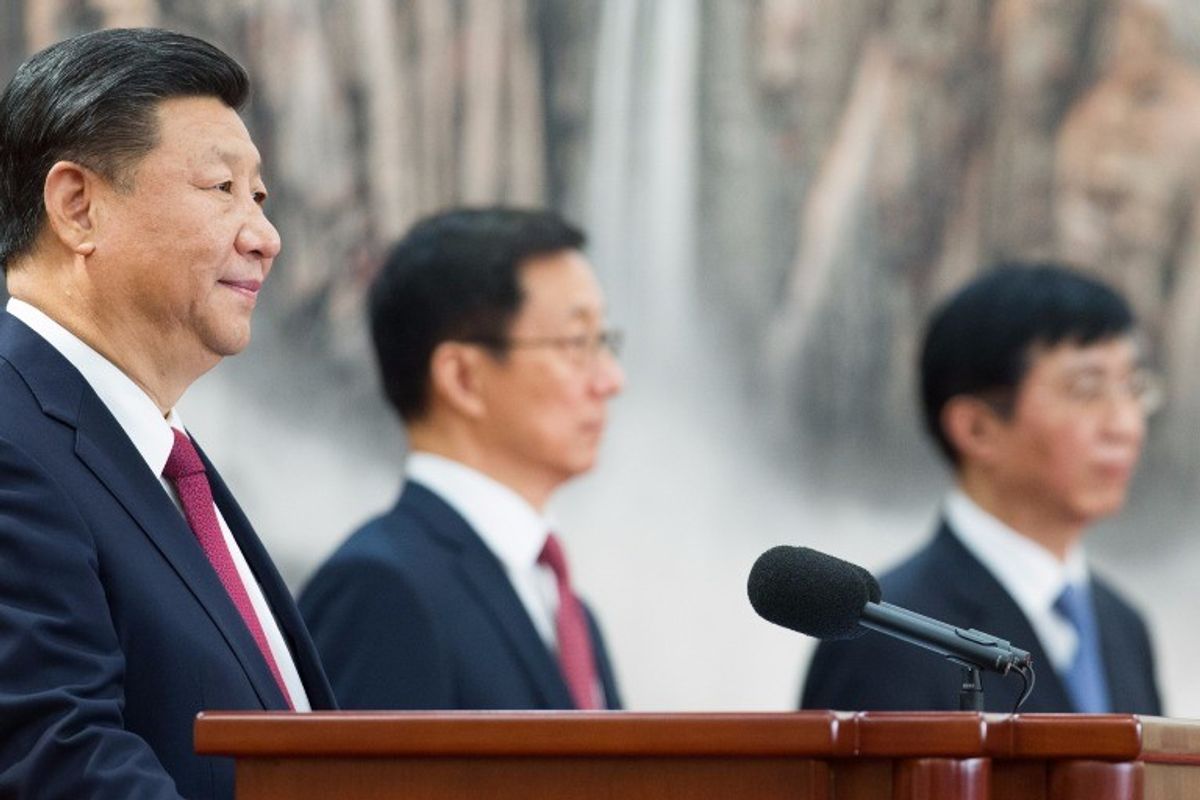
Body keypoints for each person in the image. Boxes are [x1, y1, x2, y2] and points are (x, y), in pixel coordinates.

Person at [0, 28, 334, 799]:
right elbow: (56, 759)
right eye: (222, 190)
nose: (266, 237)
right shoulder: (13, 443)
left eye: (260, 197)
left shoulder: (158, 456)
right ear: (77, 207)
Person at [800, 263, 1163, 714]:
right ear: (977, 429)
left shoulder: (1123, 625)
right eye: (1087, 389)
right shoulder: (887, 632)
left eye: (1132, 387)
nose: (1126, 425)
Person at [300, 208, 624, 710]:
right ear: (462, 379)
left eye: (604, 342)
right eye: (577, 343)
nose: (610, 381)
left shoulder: (570, 612)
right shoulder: (381, 589)